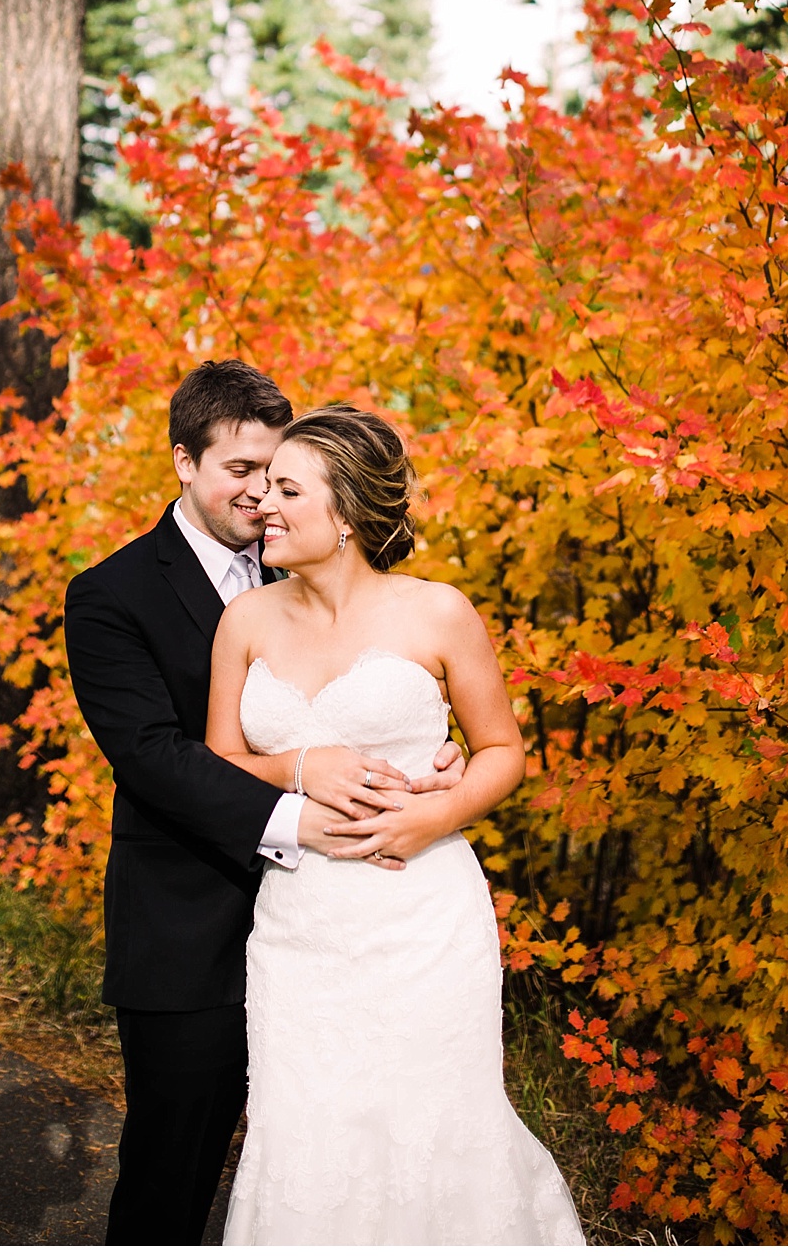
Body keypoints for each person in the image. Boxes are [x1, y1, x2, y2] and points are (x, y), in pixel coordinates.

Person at [63, 362, 464, 1245]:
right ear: (183, 462)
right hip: (188, 932)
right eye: (238, 470)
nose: (259, 493)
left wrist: (431, 751)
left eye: (274, 470)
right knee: (173, 1174)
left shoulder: (312, 558)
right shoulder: (110, 596)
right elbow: (152, 757)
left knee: (333, 1167)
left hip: (340, 934)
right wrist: (300, 800)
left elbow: (392, 676)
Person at [206, 402, 586, 1245]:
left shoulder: (438, 612)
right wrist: (301, 772)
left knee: (434, 1122)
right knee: (305, 1130)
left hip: (423, 916)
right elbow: (216, 769)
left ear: (343, 512)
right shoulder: (246, 622)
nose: (264, 504)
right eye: (263, 487)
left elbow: (500, 751)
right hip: (299, 922)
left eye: (287, 489)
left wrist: (436, 816)